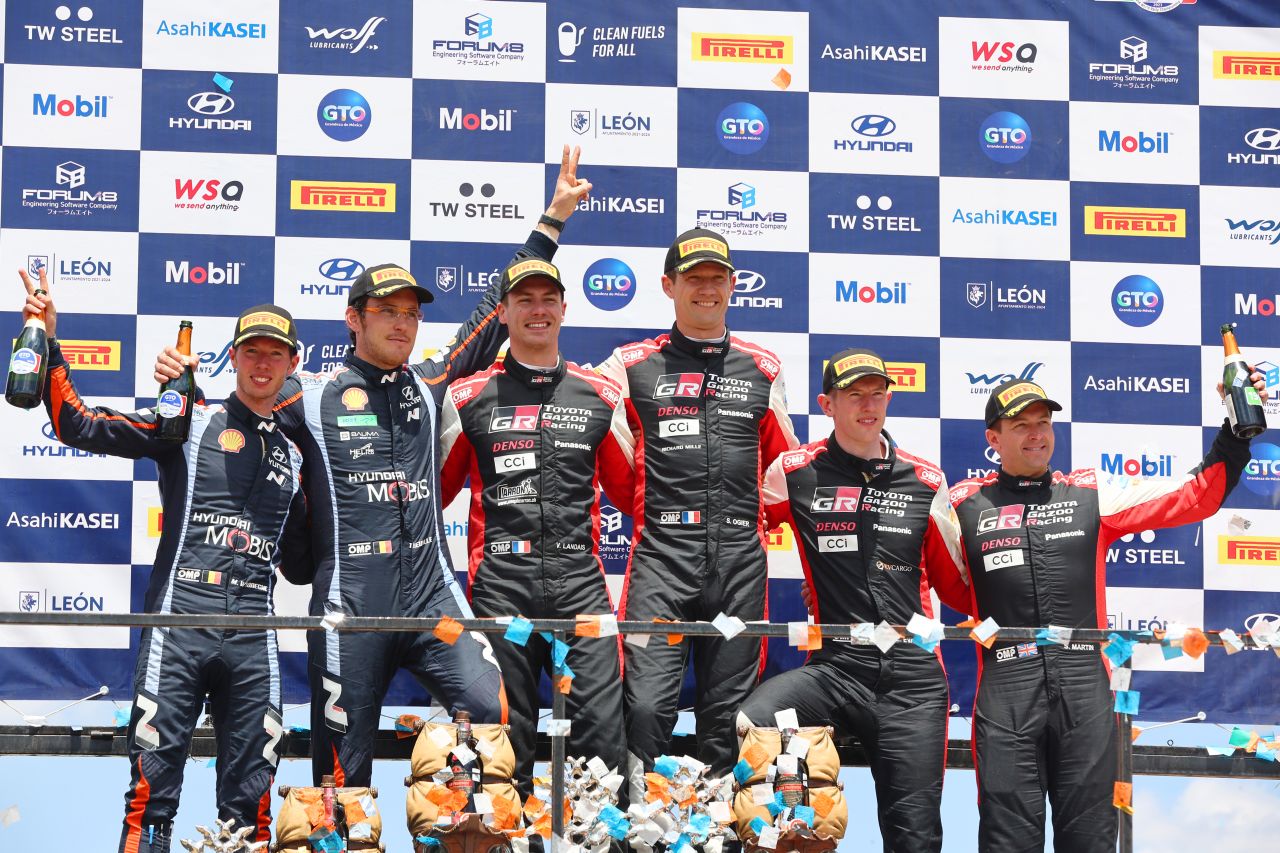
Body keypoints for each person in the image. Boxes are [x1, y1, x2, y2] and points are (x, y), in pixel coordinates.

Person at [154, 146, 593, 788]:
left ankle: (453, 821)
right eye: (388, 311)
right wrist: (181, 381)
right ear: (353, 319)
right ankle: (347, 826)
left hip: (430, 597)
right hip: (350, 605)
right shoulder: (309, 396)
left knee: (490, 709)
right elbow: (241, 402)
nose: (403, 323)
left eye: (412, 313)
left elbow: (492, 311)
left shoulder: (431, 382)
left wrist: (550, 222)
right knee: (342, 775)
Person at [25, 269, 312, 853]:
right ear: (232, 357)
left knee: (252, 804)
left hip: (255, 634)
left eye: (275, 354)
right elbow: (78, 424)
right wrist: (49, 340)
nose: (262, 364)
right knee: (151, 796)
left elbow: (304, 566)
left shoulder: (298, 452)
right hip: (179, 624)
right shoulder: (188, 422)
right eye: (251, 352)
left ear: (293, 362)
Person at [938, 376, 1269, 853]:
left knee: (1091, 838)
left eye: (1043, 422)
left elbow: (1197, 494)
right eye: (1021, 425)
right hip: (1006, 686)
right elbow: (929, 576)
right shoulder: (963, 504)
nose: (1037, 434)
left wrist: (1234, 431)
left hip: (1085, 687)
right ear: (994, 438)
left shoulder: (1092, 492)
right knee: (1006, 840)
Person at [736, 348, 969, 853]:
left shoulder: (926, 480)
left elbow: (958, 585)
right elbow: (739, 530)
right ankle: (799, 832)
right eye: (854, 395)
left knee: (914, 837)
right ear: (827, 404)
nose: (868, 405)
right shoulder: (793, 471)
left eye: (877, 394)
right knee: (756, 718)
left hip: (911, 680)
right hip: (835, 670)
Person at [594, 227, 799, 794]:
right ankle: (635, 823)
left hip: (739, 563)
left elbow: (784, 467)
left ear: (733, 286)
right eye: (694, 279)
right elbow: (614, 467)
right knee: (645, 706)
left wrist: (756, 519)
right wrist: (657, 510)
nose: (707, 289)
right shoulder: (630, 365)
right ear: (669, 286)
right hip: (662, 560)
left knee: (729, 716)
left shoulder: (763, 367)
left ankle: (718, 828)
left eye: (717, 279)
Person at [438, 257, 634, 795]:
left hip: (581, 582)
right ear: (503, 312)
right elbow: (432, 496)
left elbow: (635, 494)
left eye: (548, 299)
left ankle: (601, 830)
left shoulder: (601, 395)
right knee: (507, 738)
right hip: (501, 582)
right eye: (524, 300)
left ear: (565, 309)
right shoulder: (466, 397)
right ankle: (508, 830)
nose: (538, 310)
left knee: (602, 734)